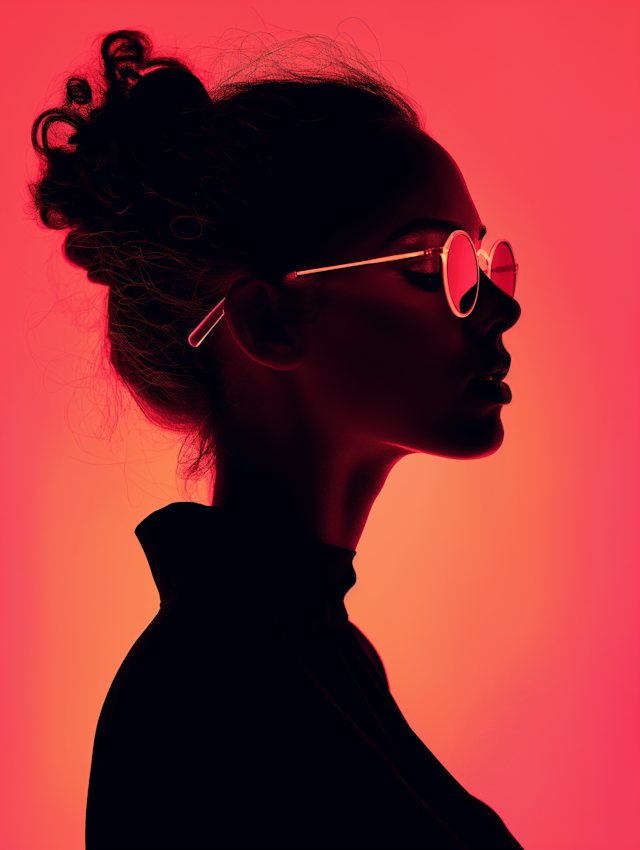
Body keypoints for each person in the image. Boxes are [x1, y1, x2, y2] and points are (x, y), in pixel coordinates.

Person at [31, 29, 524, 850]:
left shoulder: (317, 657)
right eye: (433, 263)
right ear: (268, 321)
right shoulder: (208, 694)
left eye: (483, 260)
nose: (502, 307)